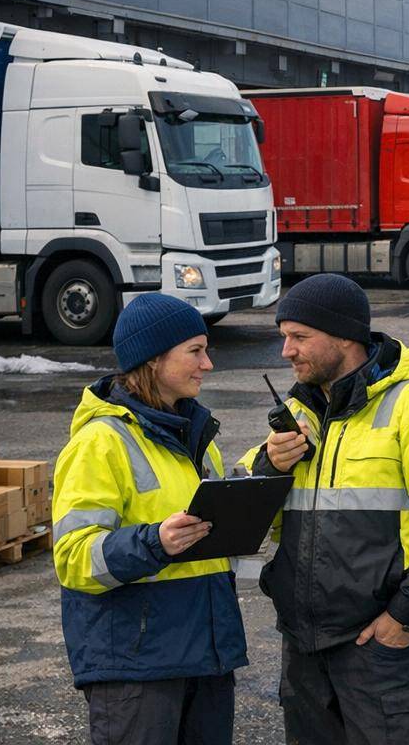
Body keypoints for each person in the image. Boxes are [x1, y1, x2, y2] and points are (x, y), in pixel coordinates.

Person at [247, 273, 409, 744]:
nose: (287, 352)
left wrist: (407, 615)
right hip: (304, 652)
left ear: (344, 336)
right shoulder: (302, 414)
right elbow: (245, 510)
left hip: (383, 652)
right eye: (284, 338)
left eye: (300, 337)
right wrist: (270, 464)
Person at [52, 293, 245, 745]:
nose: (208, 364)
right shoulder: (98, 444)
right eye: (195, 351)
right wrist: (154, 542)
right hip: (137, 669)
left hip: (207, 657)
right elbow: (74, 559)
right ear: (154, 360)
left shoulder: (195, 437)